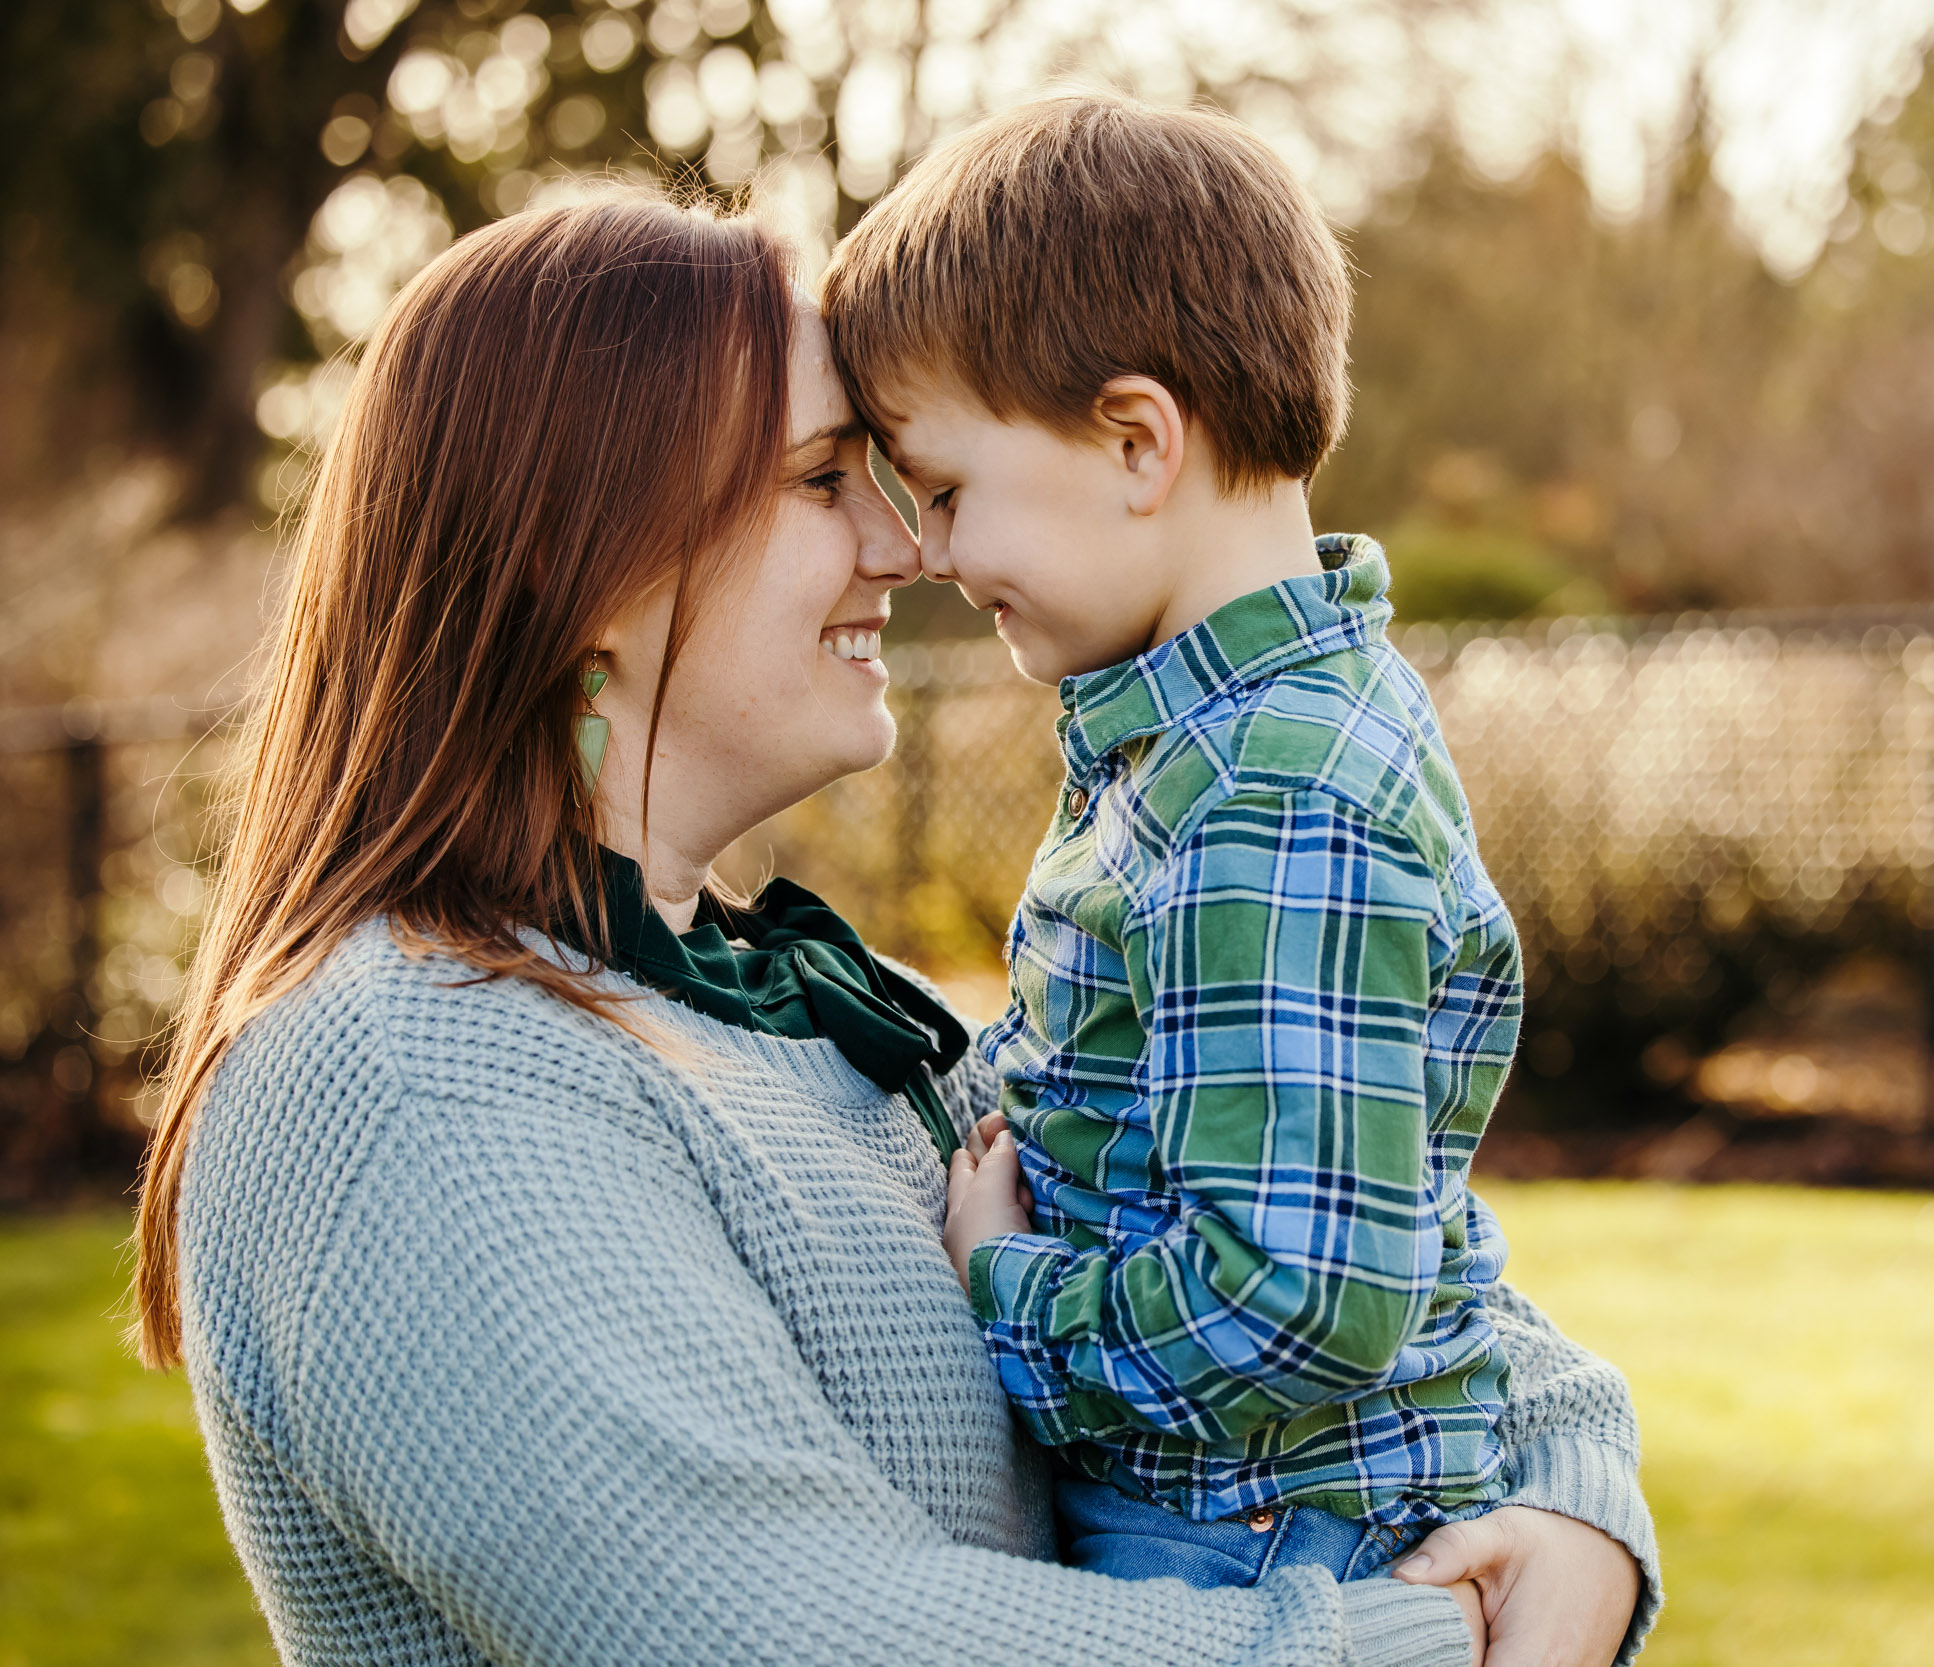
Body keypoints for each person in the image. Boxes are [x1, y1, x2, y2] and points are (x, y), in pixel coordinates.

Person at [128, 188, 1657, 1667]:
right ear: (580, 561)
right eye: (818, 480)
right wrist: (1444, 1637)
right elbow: (804, 1637)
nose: (907, 545)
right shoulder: (410, 1081)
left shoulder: (803, 1015)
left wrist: (1581, 1499)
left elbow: (1334, 1217)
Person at [821, 89, 1646, 1638]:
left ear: (1136, 441)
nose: (924, 552)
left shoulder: (1274, 792)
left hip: (1254, 1550)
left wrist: (1007, 1289)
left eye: (941, 489)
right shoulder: (1217, 743)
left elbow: (1298, 1295)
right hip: (1247, 1521)